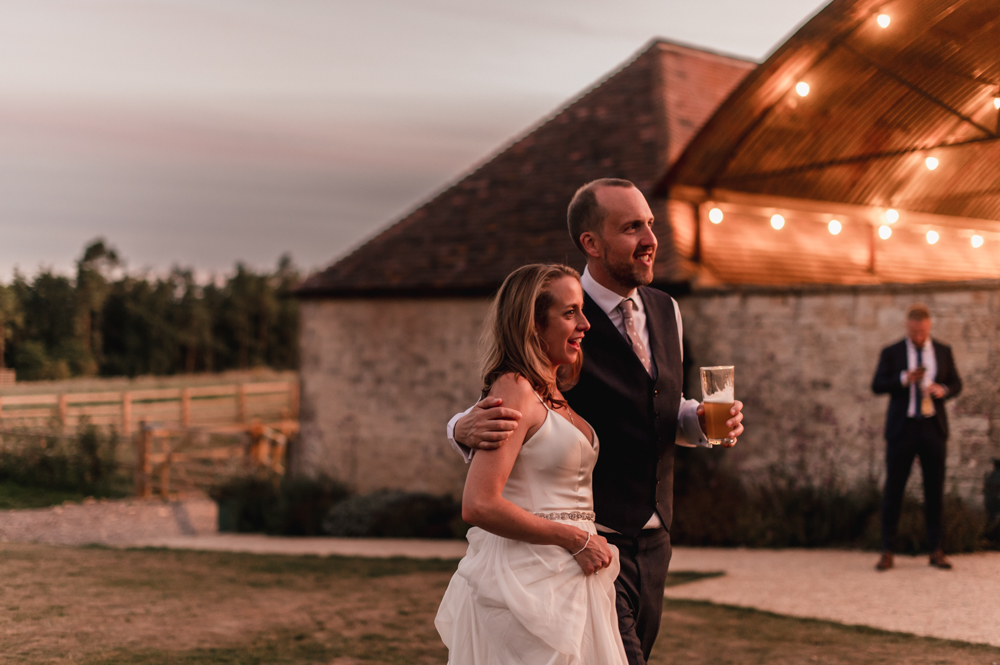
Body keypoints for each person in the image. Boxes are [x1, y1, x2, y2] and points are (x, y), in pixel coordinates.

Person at [446, 179, 744, 665]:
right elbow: (506, 397)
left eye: (649, 223)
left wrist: (703, 423)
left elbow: (657, 403)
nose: (650, 238)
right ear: (591, 242)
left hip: (656, 539)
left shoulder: (667, 310)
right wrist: (459, 427)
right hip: (594, 536)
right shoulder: (557, 316)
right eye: (631, 228)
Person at [435, 263, 628, 664]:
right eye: (570, 312)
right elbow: (479, 504)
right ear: (533, 324)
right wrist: (575, 539)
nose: (586, 324)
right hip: (528, 580)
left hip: (575, 576)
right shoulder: (514, 388)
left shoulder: (554, 394)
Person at [872, 303, 962, 571]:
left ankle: (936, 550)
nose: (919, 337)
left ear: (929, 326)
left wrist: (942, 389)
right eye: (914, 332)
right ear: (907, 327)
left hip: (933, 427)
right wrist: (903, 379)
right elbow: (877, 384)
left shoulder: (943, 351)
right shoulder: (892, 352)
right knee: (894, 491)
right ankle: (887, 551)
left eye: (922, 332)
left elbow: (957, 383)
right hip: (903, 428)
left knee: (934, 490)